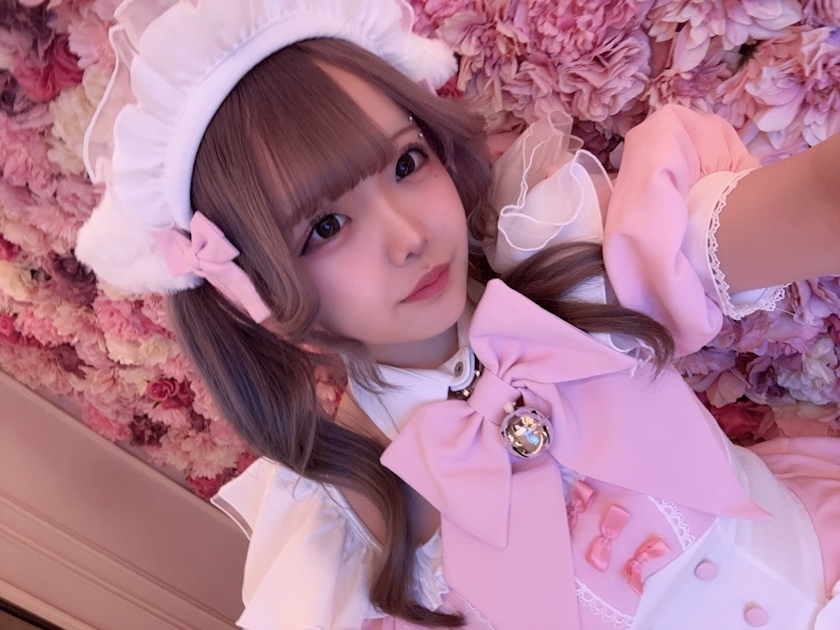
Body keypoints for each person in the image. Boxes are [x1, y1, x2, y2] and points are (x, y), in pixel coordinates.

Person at [75, 0, 840, 628]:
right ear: (255, 297)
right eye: (325, 227)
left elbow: (815, 201)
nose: (409, 236)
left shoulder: (571, 257)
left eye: (406, 163)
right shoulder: (348, 536)